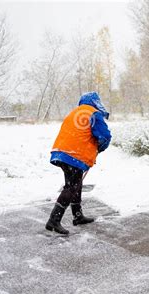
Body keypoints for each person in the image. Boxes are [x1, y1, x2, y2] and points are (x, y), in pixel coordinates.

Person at [46, 92, 112, 235]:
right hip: (74, 155)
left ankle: (77, 216)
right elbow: (105, 136)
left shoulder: (74, 112)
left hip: (61, 152)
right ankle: (54, 220)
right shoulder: (93, 113)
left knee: (76, 184)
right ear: (95, 102)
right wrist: (100, 148)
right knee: (72, 186)